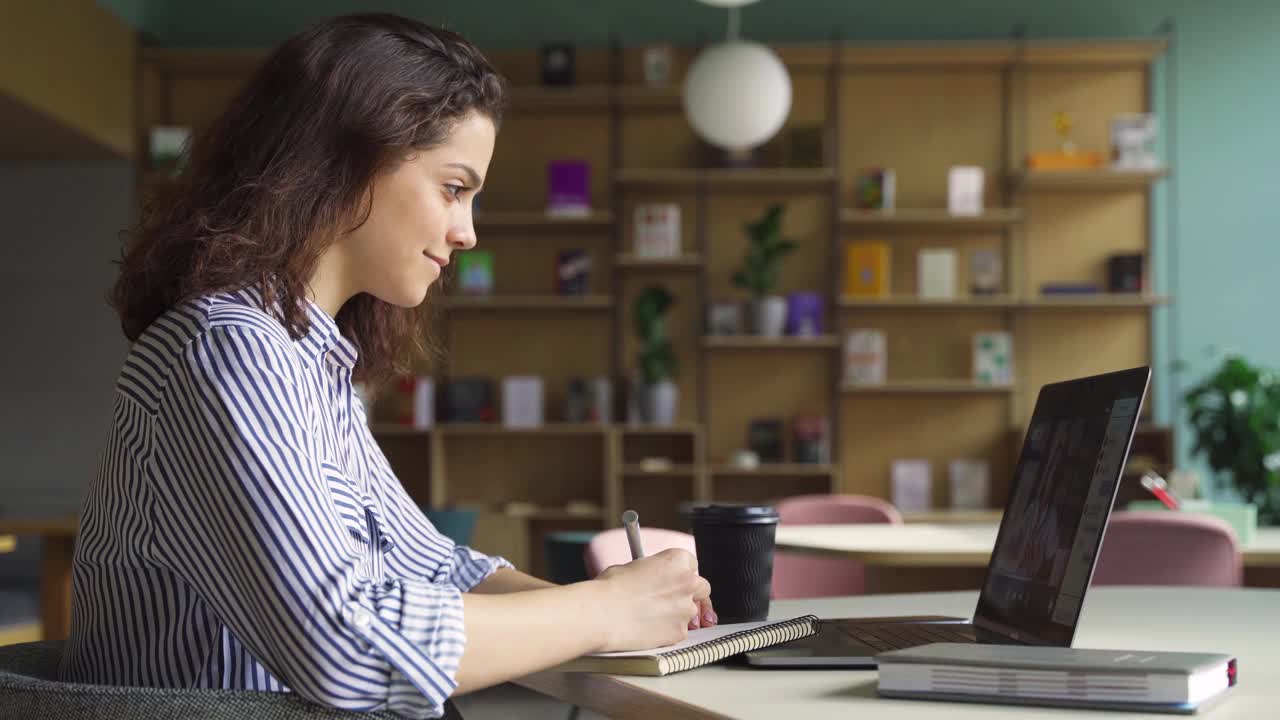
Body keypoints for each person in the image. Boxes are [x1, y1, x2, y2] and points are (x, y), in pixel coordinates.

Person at [59, 13, 715, 719]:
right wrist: (604, 609)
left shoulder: (306, 362)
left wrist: (638, 607)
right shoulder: (227, 350)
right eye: (454, 187)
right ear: (349, 159)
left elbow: (432, 566)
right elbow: (344, 646)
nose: (467, 232)